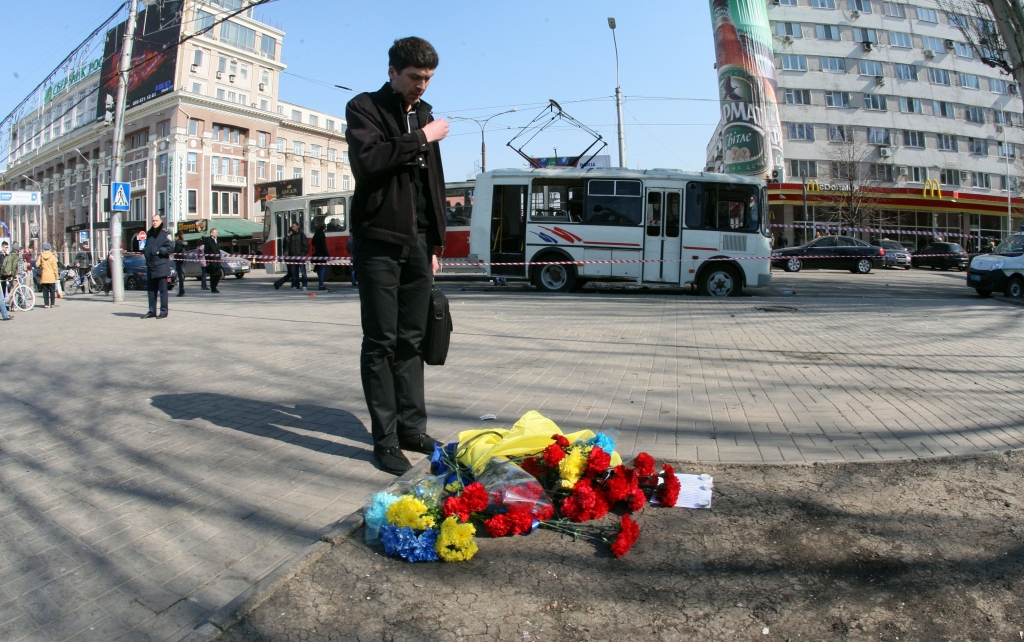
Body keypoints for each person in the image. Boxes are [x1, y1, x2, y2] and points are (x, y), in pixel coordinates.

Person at [346, 36, 448, 474]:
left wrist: (435, 243)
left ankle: (411, 427)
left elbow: (433, 186)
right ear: (392, 72)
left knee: (412, 340)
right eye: (414, 77)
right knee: (381, 342)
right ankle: (384, 440)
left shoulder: (423, 114)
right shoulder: (365, 108)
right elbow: (369, 162)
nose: (421, 86)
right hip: (379, 241)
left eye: (427, 78)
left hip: (418, 243)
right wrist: (421, 138)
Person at [142, 213, 174, 318]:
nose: (154, 223)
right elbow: (147, 247)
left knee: (163, 291)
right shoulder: (150, 234)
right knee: (151, 291)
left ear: (160, 221)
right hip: (151, 266)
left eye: (156, 221)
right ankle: (152, 311)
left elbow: (170, 247)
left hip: (161, 266)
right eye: (153, 221)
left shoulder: (165, 233)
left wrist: (159, 251)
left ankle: (164, 311)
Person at [273, 222, 309, 290]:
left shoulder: (302, 235)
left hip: (300, 256)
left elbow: (306, 246)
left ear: (297, 226)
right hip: (293, 257)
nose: (293, 228)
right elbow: (288, 246)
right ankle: (296, 285)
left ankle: (304, 285)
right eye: (292, 226)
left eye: (294, 226)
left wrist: (302, 255)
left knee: (303, 271)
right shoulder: (291, 236)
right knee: (294, 272)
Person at [36, 242, 59, 309]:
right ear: (49, 248)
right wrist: (56, 275)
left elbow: (37, 264)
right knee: (52, 291)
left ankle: (46, 304)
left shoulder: (41, 256)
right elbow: (55, 267)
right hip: (51, 276)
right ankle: (52, 304)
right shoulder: (52, 256)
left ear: (44, 248)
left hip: (44, 276)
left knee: (45, 291)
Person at [312, 221, 330, 291]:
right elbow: (323, 245)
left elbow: (312, 243)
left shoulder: (316, 233)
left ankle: (321, 283)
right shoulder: (322, 234)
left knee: (321, 269)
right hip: (322, 254)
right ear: (324, 228)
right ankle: (321, 284)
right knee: (323, 269)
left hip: (317, 253)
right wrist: (327, 254)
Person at [203, 229, 222, 293]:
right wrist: (207, 261)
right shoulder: (208, 240)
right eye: (215, 232)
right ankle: (213, 288)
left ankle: (214, 286)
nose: (216, 233)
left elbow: (218, 250)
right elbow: (206, 251)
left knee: (219, 273)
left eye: (216, 232)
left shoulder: (217, 240)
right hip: (211, 260)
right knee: (213, 275)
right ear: (211, 233)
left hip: (217, 260)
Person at [173, 232, 187, 297]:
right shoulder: (182, 242)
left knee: (180, 276)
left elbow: (176, 251)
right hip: (182, 259)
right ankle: (182, 290)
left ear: (177, 237)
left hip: (179, 260)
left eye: (175, 237)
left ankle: (181, 290)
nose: (175, 238)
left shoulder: (178, 243)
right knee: (180, 274)